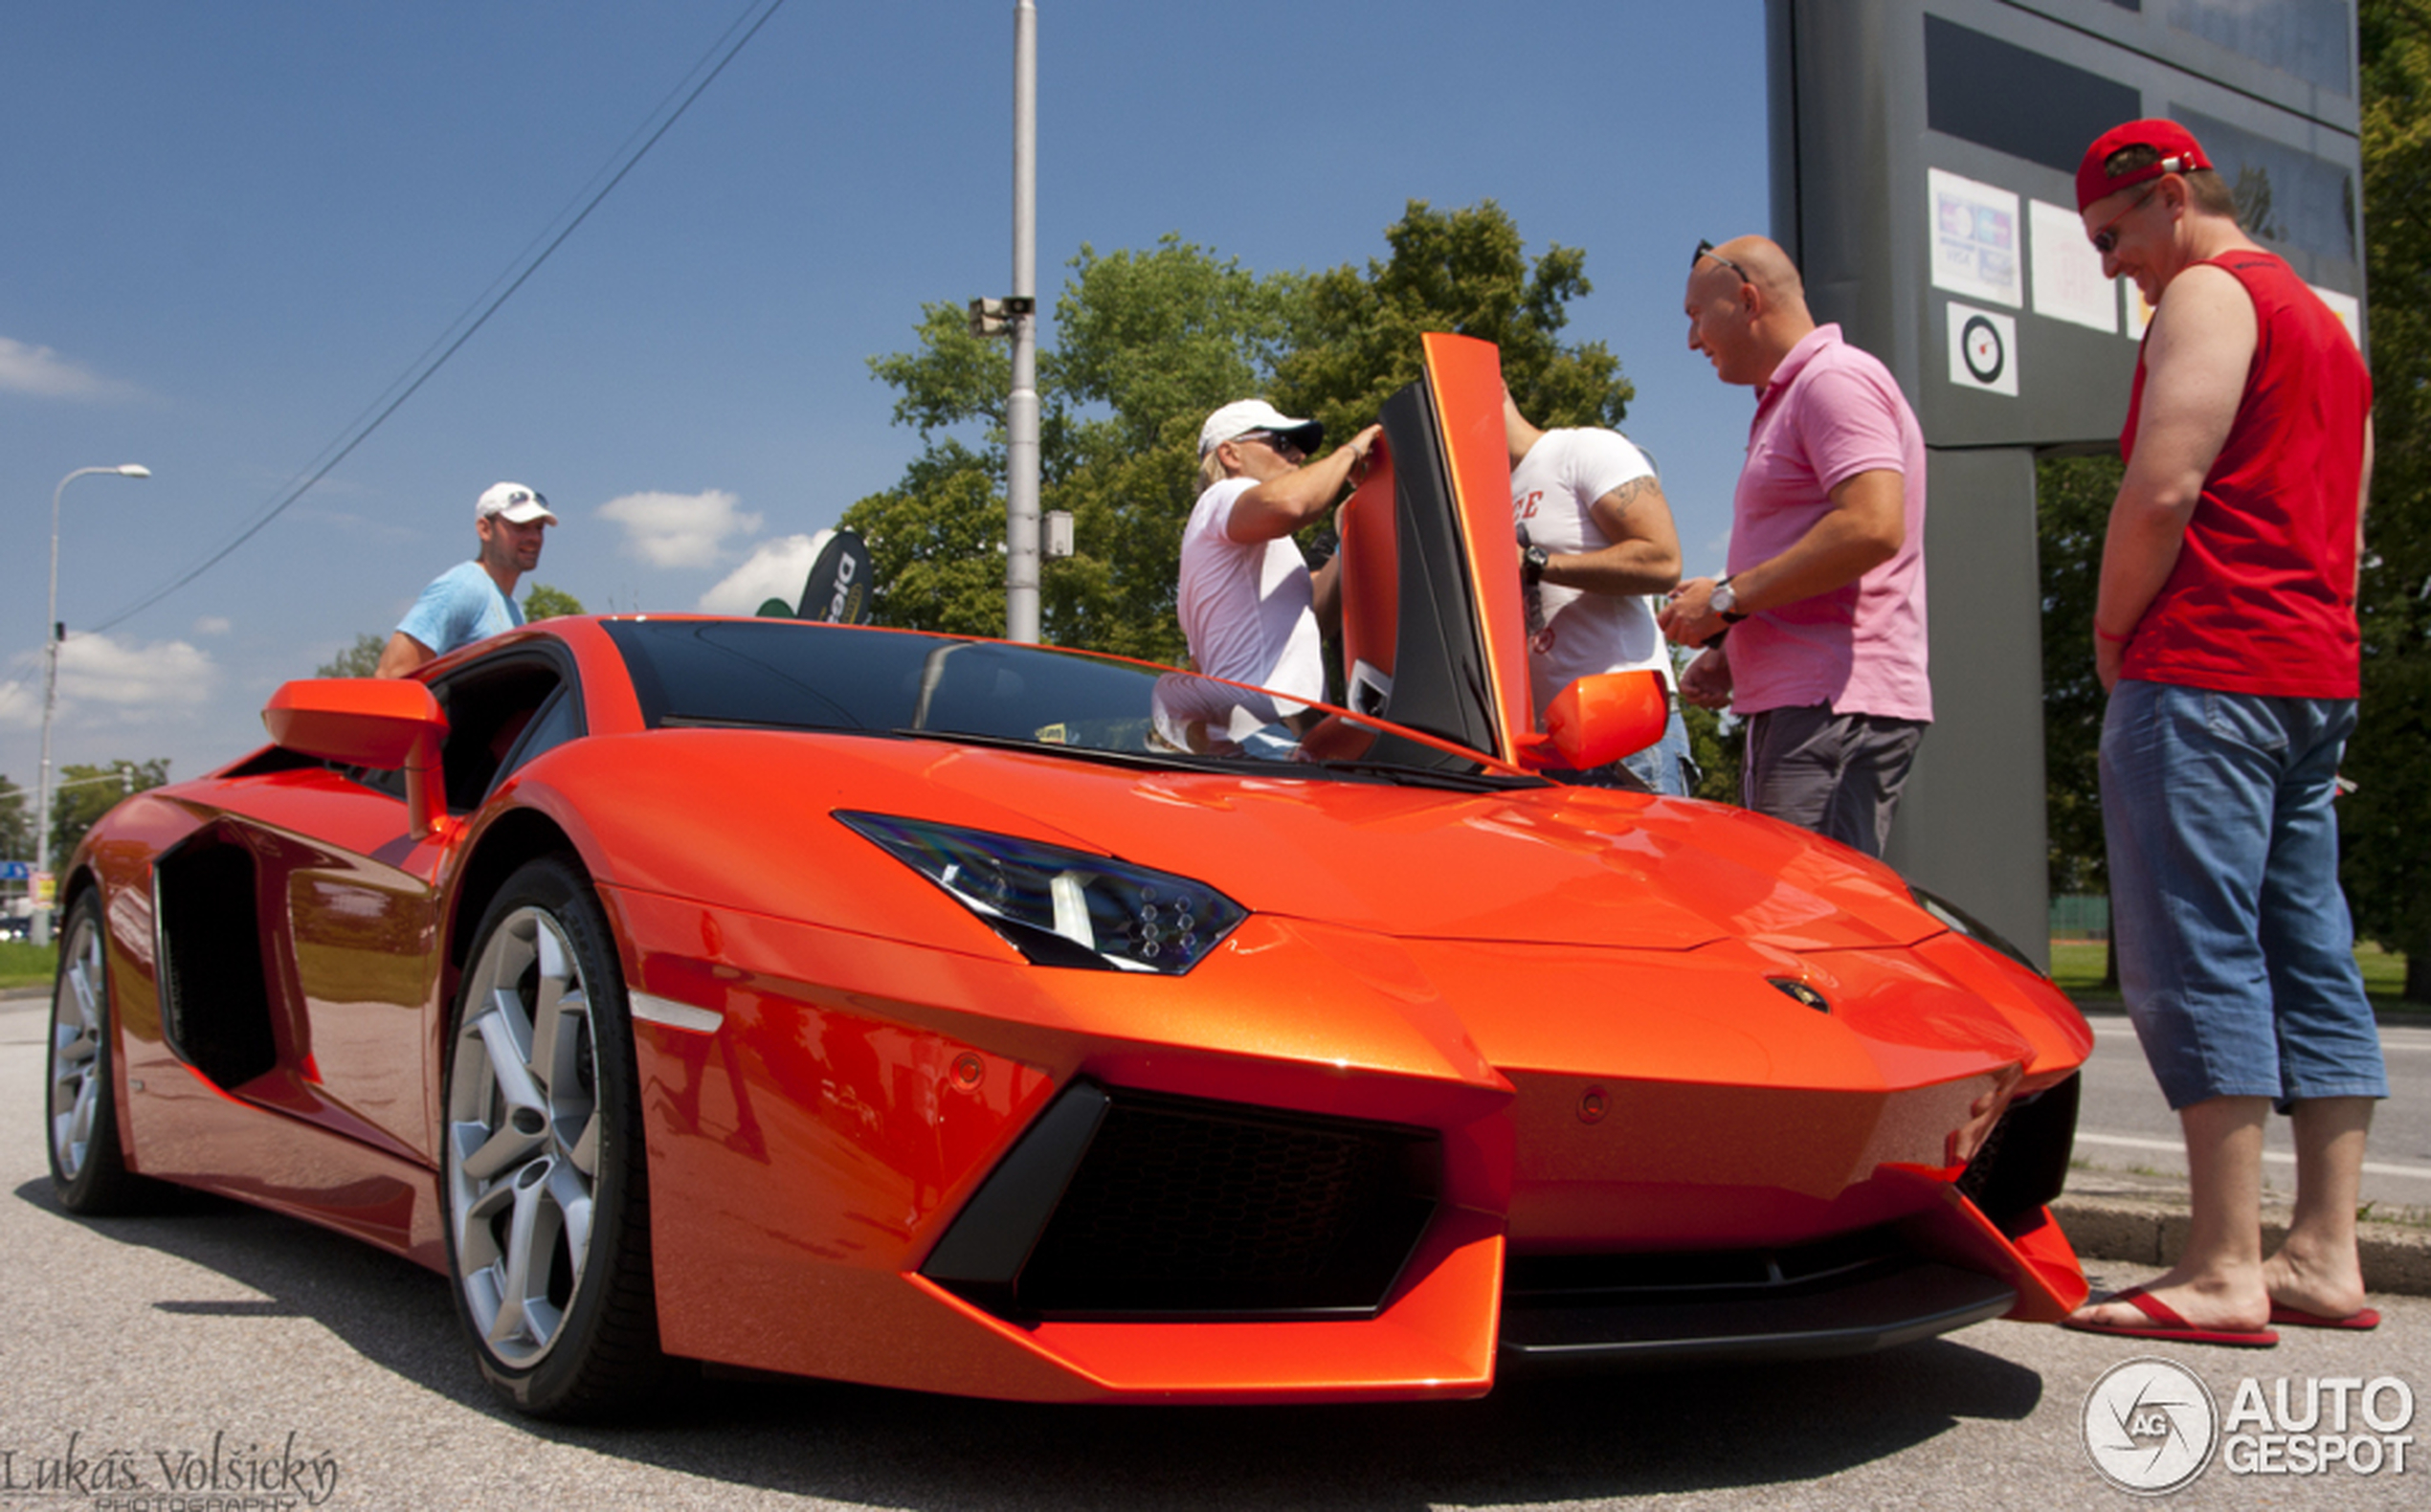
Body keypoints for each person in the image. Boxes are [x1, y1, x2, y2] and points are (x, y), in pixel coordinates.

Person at [2059, 121, 2382, 1347]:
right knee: (2309, 947)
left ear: (2173, 191)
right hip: (2311, 673)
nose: (2107, 264)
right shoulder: (2325, 328)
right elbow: (2344, 536)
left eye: (2112, 233)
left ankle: (2216, 1265)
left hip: (2205, 665)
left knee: (2194, 949)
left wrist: (2106, 634)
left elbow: (2162, 485)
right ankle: (2320, 1252)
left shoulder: (2205, 291)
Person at [1657, 235, 1930, 857]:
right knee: (1796, 927)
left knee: (1805, 932)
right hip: (1812, 704)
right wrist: (1735, 650)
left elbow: (1872, 525)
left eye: (1697, 316)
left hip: (1829, 707)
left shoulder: (1834, 381)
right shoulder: (1800, 395)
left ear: (1748, 299)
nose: (1694, 340)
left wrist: (1726, 601)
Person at [1505, 390, 1694, 794]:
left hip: (1620, 735)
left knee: (1639, 861)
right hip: (1540, 749)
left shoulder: (1583, 448)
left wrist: (1537, 563)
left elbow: (1661, 560)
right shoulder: (1488, 498)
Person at [1178, 400, 1380, 724]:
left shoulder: (1233, 543)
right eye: (1281, 443)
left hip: (1261, 730)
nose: (1298, 456)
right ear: (1230, 455)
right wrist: (1351, 451)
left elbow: (1313, 621)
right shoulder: (1222, 496)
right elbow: (1292, 503)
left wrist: (1348, 535)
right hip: (1268, 726)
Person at [376, 481, 559, 677]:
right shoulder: (463, 587)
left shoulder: (513, 611)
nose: (534, 537)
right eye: (520, 527)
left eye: (539, 528)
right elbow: (392, 675)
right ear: (485, 529)